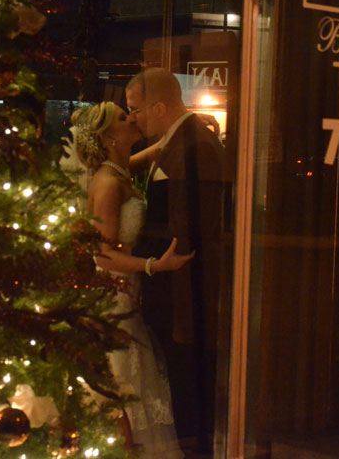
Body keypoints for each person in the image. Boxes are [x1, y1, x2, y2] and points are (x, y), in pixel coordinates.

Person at [65, 101, 190, 459]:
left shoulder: (118, 171)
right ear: (107, 137)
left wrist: (166, 141)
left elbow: (129, 163)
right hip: (112, 300)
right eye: (123, 117)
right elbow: (101, 255)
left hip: (126, 295)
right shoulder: (107, 183)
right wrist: (155, 266)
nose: (132, 117)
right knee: (123, 389)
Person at [126, 67, 227, 455]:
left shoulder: (195, 146)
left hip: (182, 293)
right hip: (166, 292)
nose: (133, 117)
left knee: (188, 387)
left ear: (160, 107)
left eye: (136, 109)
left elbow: (192, 234)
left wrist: (186, 316)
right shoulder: (174, 143)